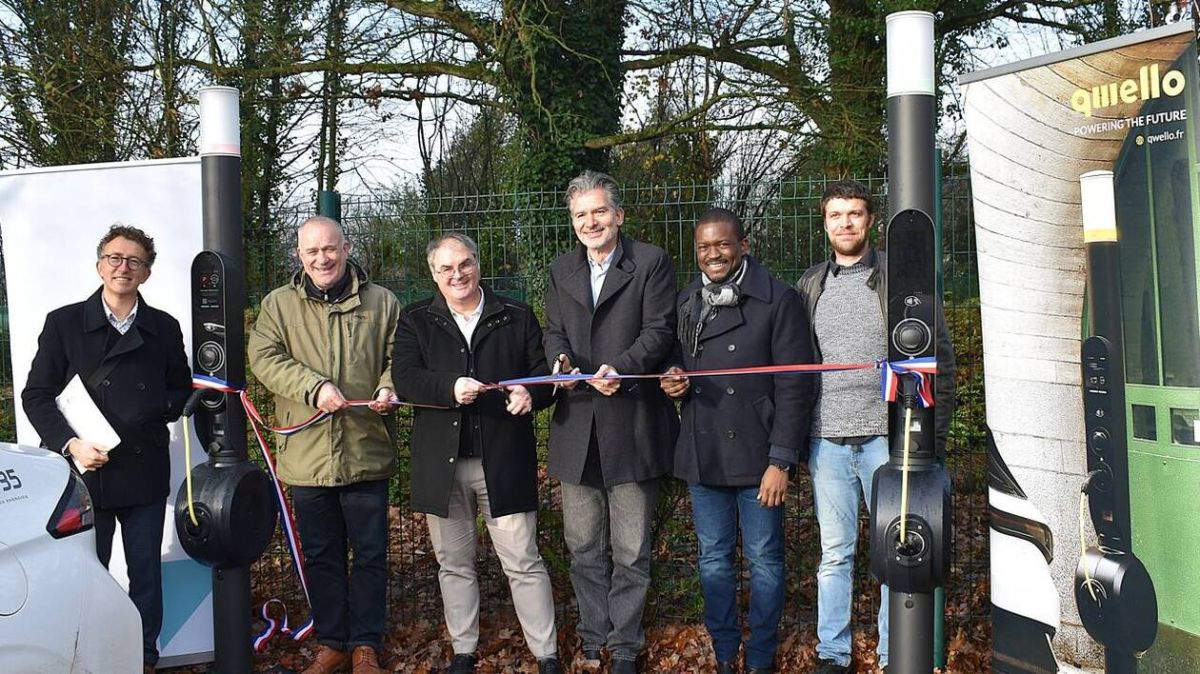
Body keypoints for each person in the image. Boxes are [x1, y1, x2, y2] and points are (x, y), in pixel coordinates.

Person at [796, 180, 955, 674]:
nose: (845, 223)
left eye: (855, 214)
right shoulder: (810, 285)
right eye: (836, 215)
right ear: (824, 224)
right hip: (827, 441)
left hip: (888, 442)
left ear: (871, 221)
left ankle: (894, 654)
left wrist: (934, 442)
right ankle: (833, 655)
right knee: (834, 556)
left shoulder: (899, 279)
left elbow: (939, 362)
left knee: (897, 550)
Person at [22, 224, 191, 674]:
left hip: (142, 468)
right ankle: (86, 659)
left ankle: (144, 657)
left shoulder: (165, 328)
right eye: (115, 258)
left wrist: (153, 408)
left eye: (134, 260)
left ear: (147, 272)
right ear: (99, 265)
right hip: (83, 474)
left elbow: (181, 390)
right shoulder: (63, 323)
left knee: (145, 576)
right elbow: (36, 394)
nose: (123, 267)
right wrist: (72, 443)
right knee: (84, 575)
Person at [391, 233, 562, 674]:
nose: (457, 275)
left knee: (523, 561)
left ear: (478, 264)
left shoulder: (516, 315)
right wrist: (449, 387)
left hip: (503, 460)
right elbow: (405, 379)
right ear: (433, 274)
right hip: (441, 466)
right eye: (446, 269)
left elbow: (543, 380)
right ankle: (463, 651)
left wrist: (531, 395)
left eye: (464, 264)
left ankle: (546, 655)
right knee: (454, 564)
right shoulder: (415, 319)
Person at [660, 209, 813, 674]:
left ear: (743, 244)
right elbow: (672, 361)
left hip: (759, 454)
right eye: (704, 247)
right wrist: (672, 381)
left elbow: (795, 385)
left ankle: (762, 655)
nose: (714, 255)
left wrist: (781, 460)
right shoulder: (687, 300)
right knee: (714, 560)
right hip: (704, 450)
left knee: (765, 559)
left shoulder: (778, 299)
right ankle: (726, 653)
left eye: (722, 244)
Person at [247, 215, 401, 674]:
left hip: (366, 450)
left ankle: (366, 644)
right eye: (312, 251)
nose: (322, 258)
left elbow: (401, 357)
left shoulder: (382, 302)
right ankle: (333, 640)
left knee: (371, 555)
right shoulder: (277, 306)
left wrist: (390, 387)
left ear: (346, 248)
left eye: (330, 248)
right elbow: (263, 357)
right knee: (322, 555)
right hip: (307, 456)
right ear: (299, 255)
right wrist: (313, 388)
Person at [543, 169, 678, 674]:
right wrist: (559, 363)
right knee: (582, 547)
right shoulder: (561, 268)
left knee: (631, 548)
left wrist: (621, 368)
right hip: (577, 425)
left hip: (633, 423)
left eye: (600, 211)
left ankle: (624, 644)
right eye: (581, 214)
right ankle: (592, 634)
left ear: (619, 216)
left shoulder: (650, 262)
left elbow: (660, 329)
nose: (591, 221)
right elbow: (553, 330)